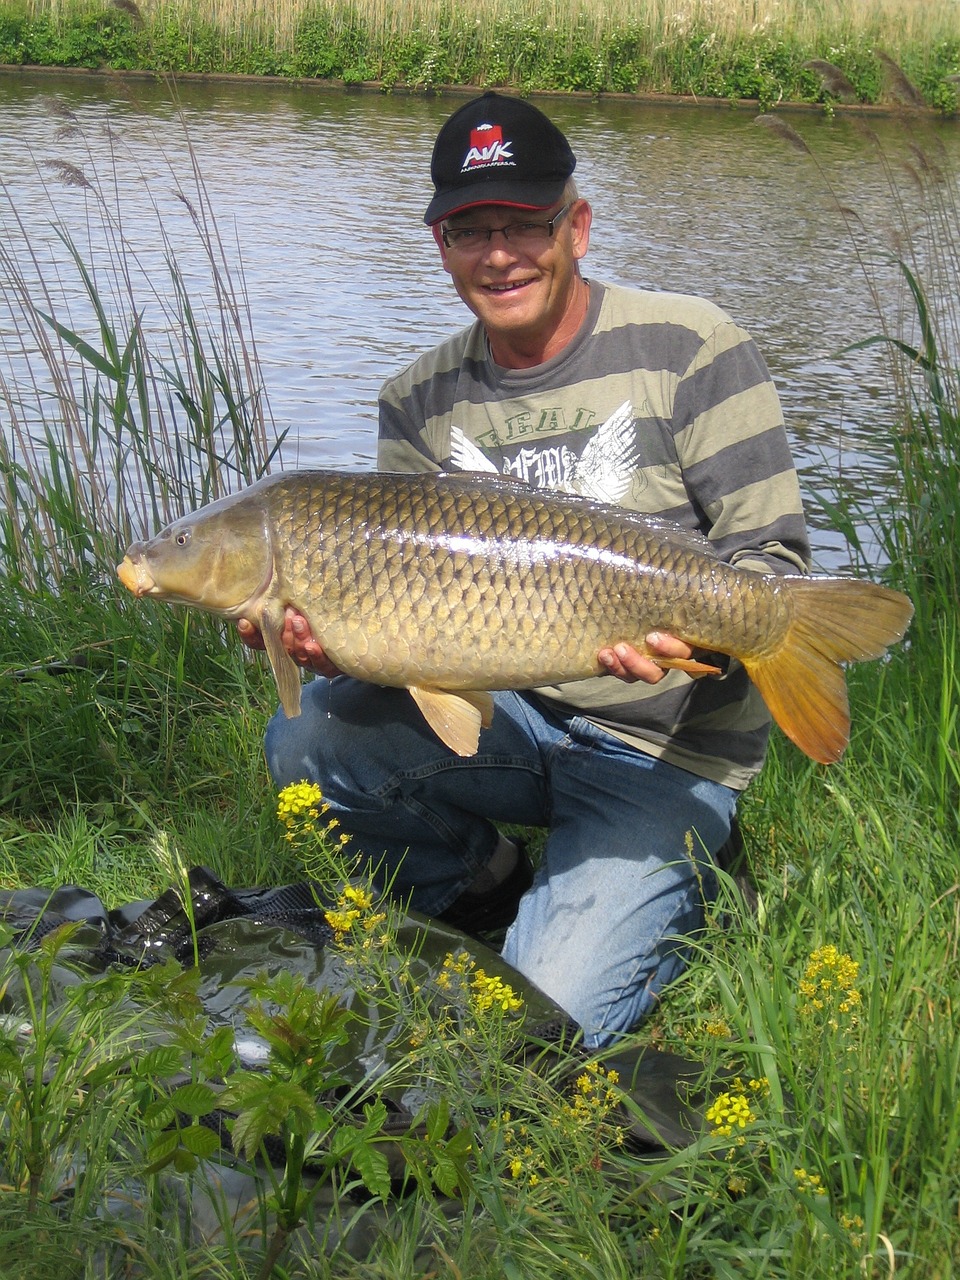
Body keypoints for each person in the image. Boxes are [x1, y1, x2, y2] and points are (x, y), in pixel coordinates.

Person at [240, 92, 810, 1048]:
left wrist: (701, 637)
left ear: (575, 226)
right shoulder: (417, 399)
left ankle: (692, 875)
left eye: (523, 224)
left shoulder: (691, 347)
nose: (498, 253)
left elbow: (773, 558)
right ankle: (481, 884)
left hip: (662, 743)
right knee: (307, 745)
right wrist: (336, 645)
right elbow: (410, 613)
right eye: (470, 230)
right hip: (518, 712)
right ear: (442, 246)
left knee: (540, 1030)